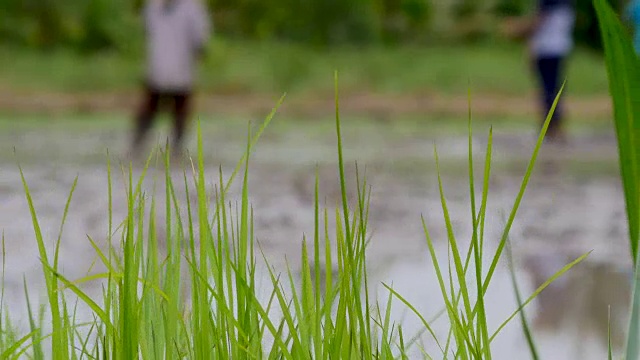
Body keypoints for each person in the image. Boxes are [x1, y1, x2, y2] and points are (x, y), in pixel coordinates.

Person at [131, 0, 211, 157]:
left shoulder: (192, 8)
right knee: (150, 108)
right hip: (158, 67)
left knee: (179, 110)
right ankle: (137, 146)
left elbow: (200, 39)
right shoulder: (153, 7)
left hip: (181, 67)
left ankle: (176, 149)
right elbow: (148, 33)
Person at [528, 0, 576, 142]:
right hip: (560, 48)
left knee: (549, 90)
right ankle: (553, 127)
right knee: (553, 88)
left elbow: (538, 22)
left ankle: (552, 128)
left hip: (547, 49)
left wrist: (519, 29)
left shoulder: (549, 4)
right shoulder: (566, 5)